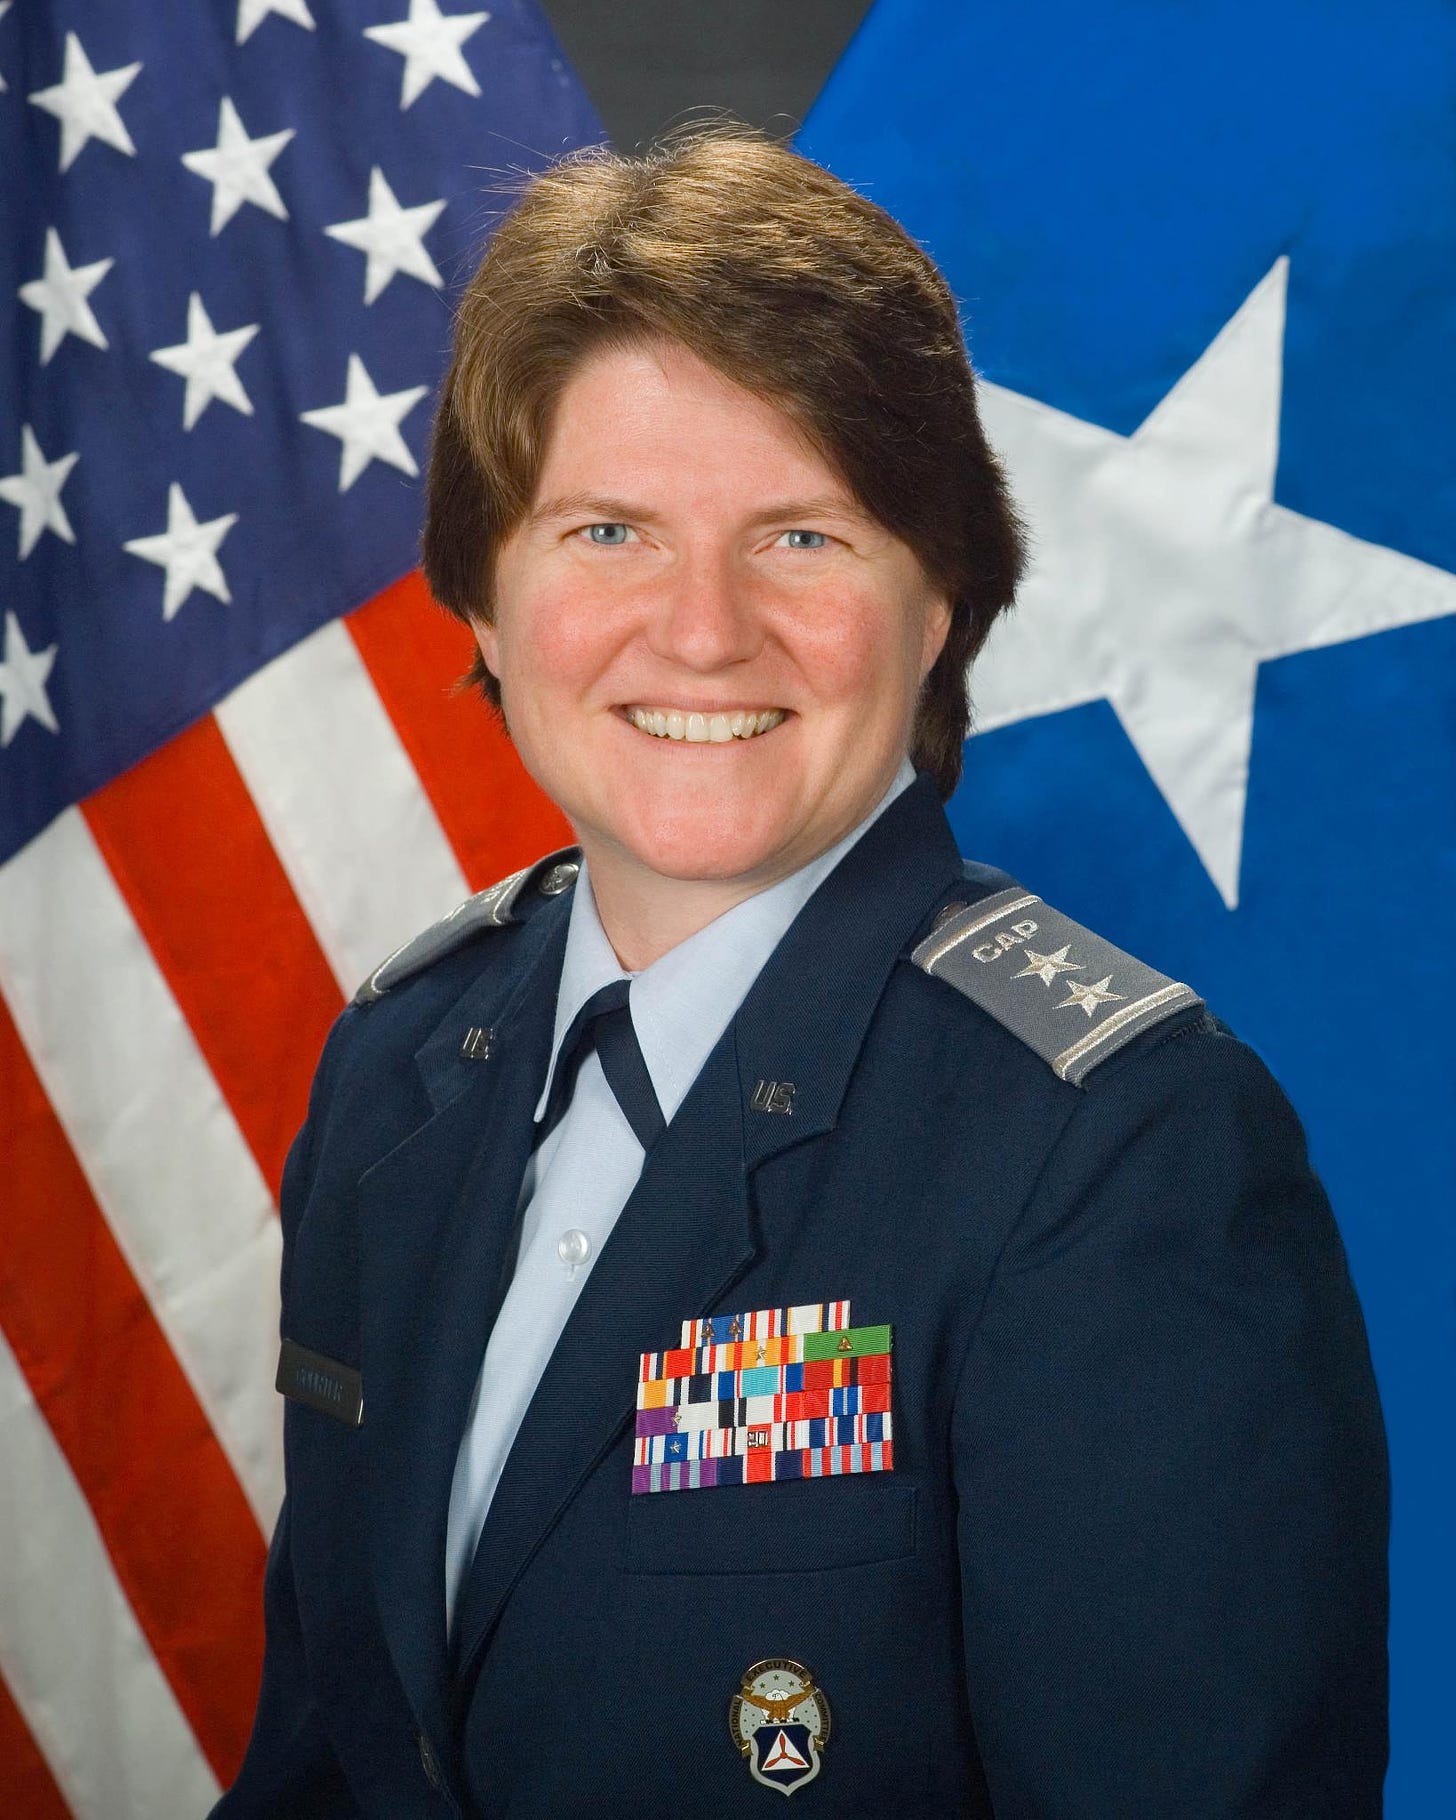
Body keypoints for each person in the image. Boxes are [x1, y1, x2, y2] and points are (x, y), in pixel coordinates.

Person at [214, 125, 1388, 1818]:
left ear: (945, 602)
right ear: (481, 596)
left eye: (804, 536)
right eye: (607, 531)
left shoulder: (1123, 1158)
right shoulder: (403, 1064)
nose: (701, 629)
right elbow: (327, 1765)